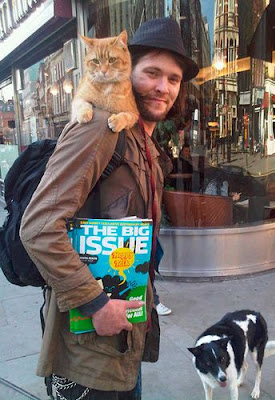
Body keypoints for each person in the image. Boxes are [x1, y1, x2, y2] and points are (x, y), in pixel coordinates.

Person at [20, 17, 198, 400]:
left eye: (173, 78)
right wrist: (96, 303)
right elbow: (38, 227)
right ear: (127, 68)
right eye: (151, 72)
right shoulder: (100, 127)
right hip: (88, 348)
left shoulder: (143, 142)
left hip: (124, 338)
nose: (162, 87)